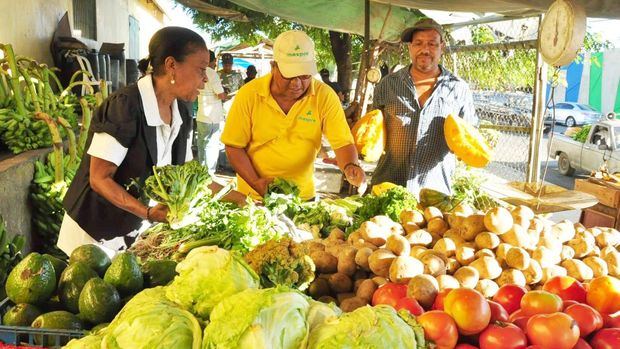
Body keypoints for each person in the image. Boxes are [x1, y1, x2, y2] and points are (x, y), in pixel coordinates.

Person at [59, 27, 245, 257]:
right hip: (94, 236)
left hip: (131, 234)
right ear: (171, 65)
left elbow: (192, 176)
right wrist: (147, 212)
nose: (206, 78)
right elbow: (99, 179)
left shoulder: (182, 112)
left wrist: (242, 199)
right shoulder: (124, 107)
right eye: (200, 69)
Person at [220, 30, 366, 200]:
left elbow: (343, 143)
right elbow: (234, 146)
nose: (297, 83)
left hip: (301, 197)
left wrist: (350, 166)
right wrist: (257, 182)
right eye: (289, 75)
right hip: (253, 196)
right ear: (273, 67)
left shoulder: (324, 96)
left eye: (304, 75)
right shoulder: (249, 94)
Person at [370, 18, 477, 195]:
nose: (425, 50)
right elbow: (372, 132)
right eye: (418, 43)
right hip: (387, 188)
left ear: (441, 47)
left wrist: (462, 148)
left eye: (432, 44)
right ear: (410, 47)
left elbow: (469, 136)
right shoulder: (387, 85)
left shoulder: (458, 89)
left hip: (434, 194)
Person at [196, 50, 227, 173]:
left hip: (201, 115)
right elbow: (221, 95)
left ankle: (201, 171)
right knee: (212, 146)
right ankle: (209, 172)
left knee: (201, 145)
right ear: (213, 61)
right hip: (213, 117)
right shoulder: (212, 74)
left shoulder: (197, 72)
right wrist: (226, 94)